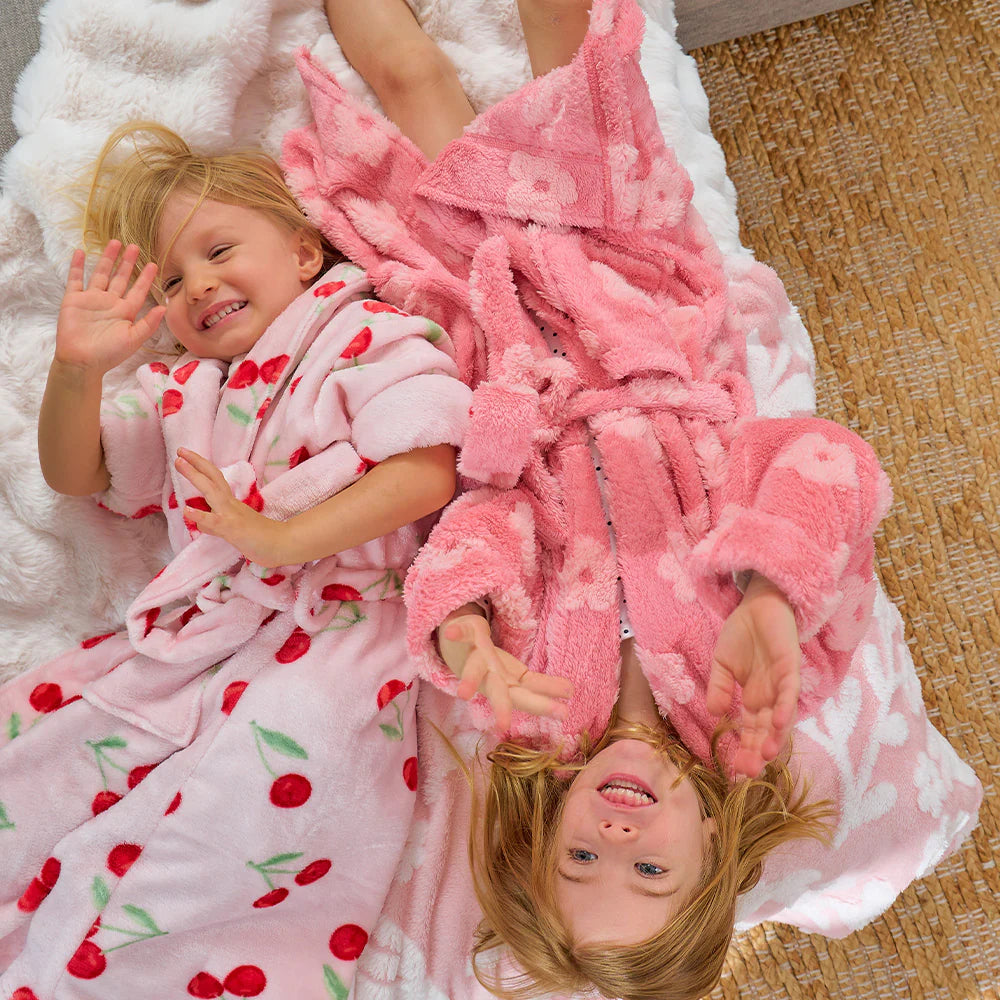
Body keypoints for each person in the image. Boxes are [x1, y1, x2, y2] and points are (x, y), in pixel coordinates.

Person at [303, 1, 892, 998]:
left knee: (409, 82)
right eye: (650, 870)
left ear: (545, 834)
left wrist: (464, 631)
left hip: (495, 336)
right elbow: (824, 459)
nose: (616, 839)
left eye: (581, 859)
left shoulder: (527, 709)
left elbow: (484, 519)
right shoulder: (772, 683)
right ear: (712, 843)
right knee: (580, 69)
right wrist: (770, 596)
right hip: (641, 294)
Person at [0, 121, 482, 996]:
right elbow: (79, 475)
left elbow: (424, 471)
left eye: (220, 251)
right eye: (172, 281)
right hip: (201, 641)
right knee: (45, 766)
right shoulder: (184, 391)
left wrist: (281, 539)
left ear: (304, 251)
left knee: (232, 833)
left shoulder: (361, 333)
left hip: (340, 643)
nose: (199, 285)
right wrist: (76, 371)